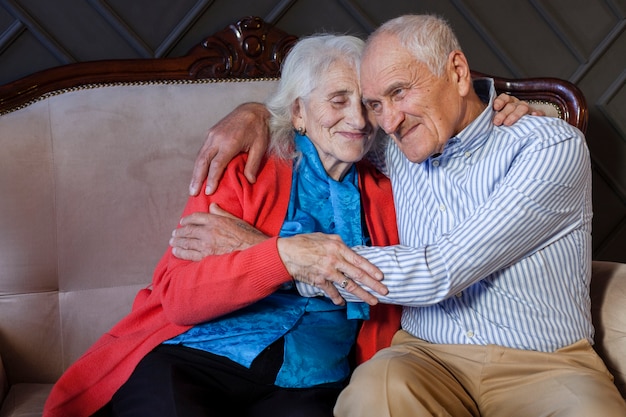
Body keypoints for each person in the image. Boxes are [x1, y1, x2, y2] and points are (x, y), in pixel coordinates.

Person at [174, 14, 626, 417]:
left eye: (398, 93)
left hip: (545, 364)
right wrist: (253, 111)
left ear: (457, 72)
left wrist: (275, 256)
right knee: (373, 395)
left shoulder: (546, 146)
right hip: (425, 359)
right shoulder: (397, 148)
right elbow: (324, 124)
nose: (386, 121)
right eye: (376, 104)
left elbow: (441, 271)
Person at [43, 34, 399, 417]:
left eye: (366, 103)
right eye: (338, 100)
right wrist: (281, 257)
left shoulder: (389, 196)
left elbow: (389, 286)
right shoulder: (245, 168)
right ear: (299, 112)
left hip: (311, 376)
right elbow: (180, 297)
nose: (358, 119)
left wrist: (259, 246)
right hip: (202, 355)